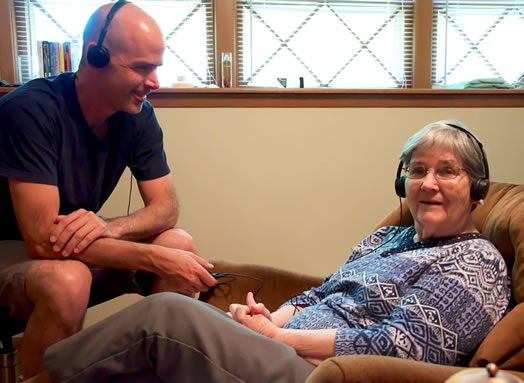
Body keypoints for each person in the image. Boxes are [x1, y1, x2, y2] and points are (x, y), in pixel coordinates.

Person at [25, 120, 511, 383]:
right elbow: (323, 294)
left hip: (322, 374)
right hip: (286, 347)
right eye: (417, 170)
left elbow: (403, 347)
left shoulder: (475, 262)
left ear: (476, 189)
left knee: (165, 316)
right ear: (401, 181)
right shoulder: (389, 239)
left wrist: (278, 341)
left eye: (447, 171)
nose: (428, 183)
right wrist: (268, 318)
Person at [0, 1, 217, 378]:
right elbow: (41, 240)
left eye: (156, 68)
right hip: (14, 251)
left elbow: (165, 208)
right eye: (141, 68)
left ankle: (160, 372)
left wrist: (110, 227)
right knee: (68, 280)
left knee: (178, 243)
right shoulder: (29, 110)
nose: (154, 82)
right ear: (95, 57)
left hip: (73, 246)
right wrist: (152, 259)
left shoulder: (138, 115)